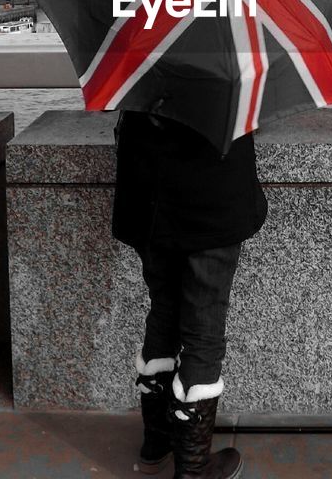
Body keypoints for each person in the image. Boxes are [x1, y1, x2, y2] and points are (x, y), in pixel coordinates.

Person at [113, 108, 267, 479]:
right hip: (211, 194)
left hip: (147, 190)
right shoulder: (226, 53)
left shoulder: (132, 48)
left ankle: (157, 443)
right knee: (204, 324)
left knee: (163, 307)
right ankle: (194, 467)